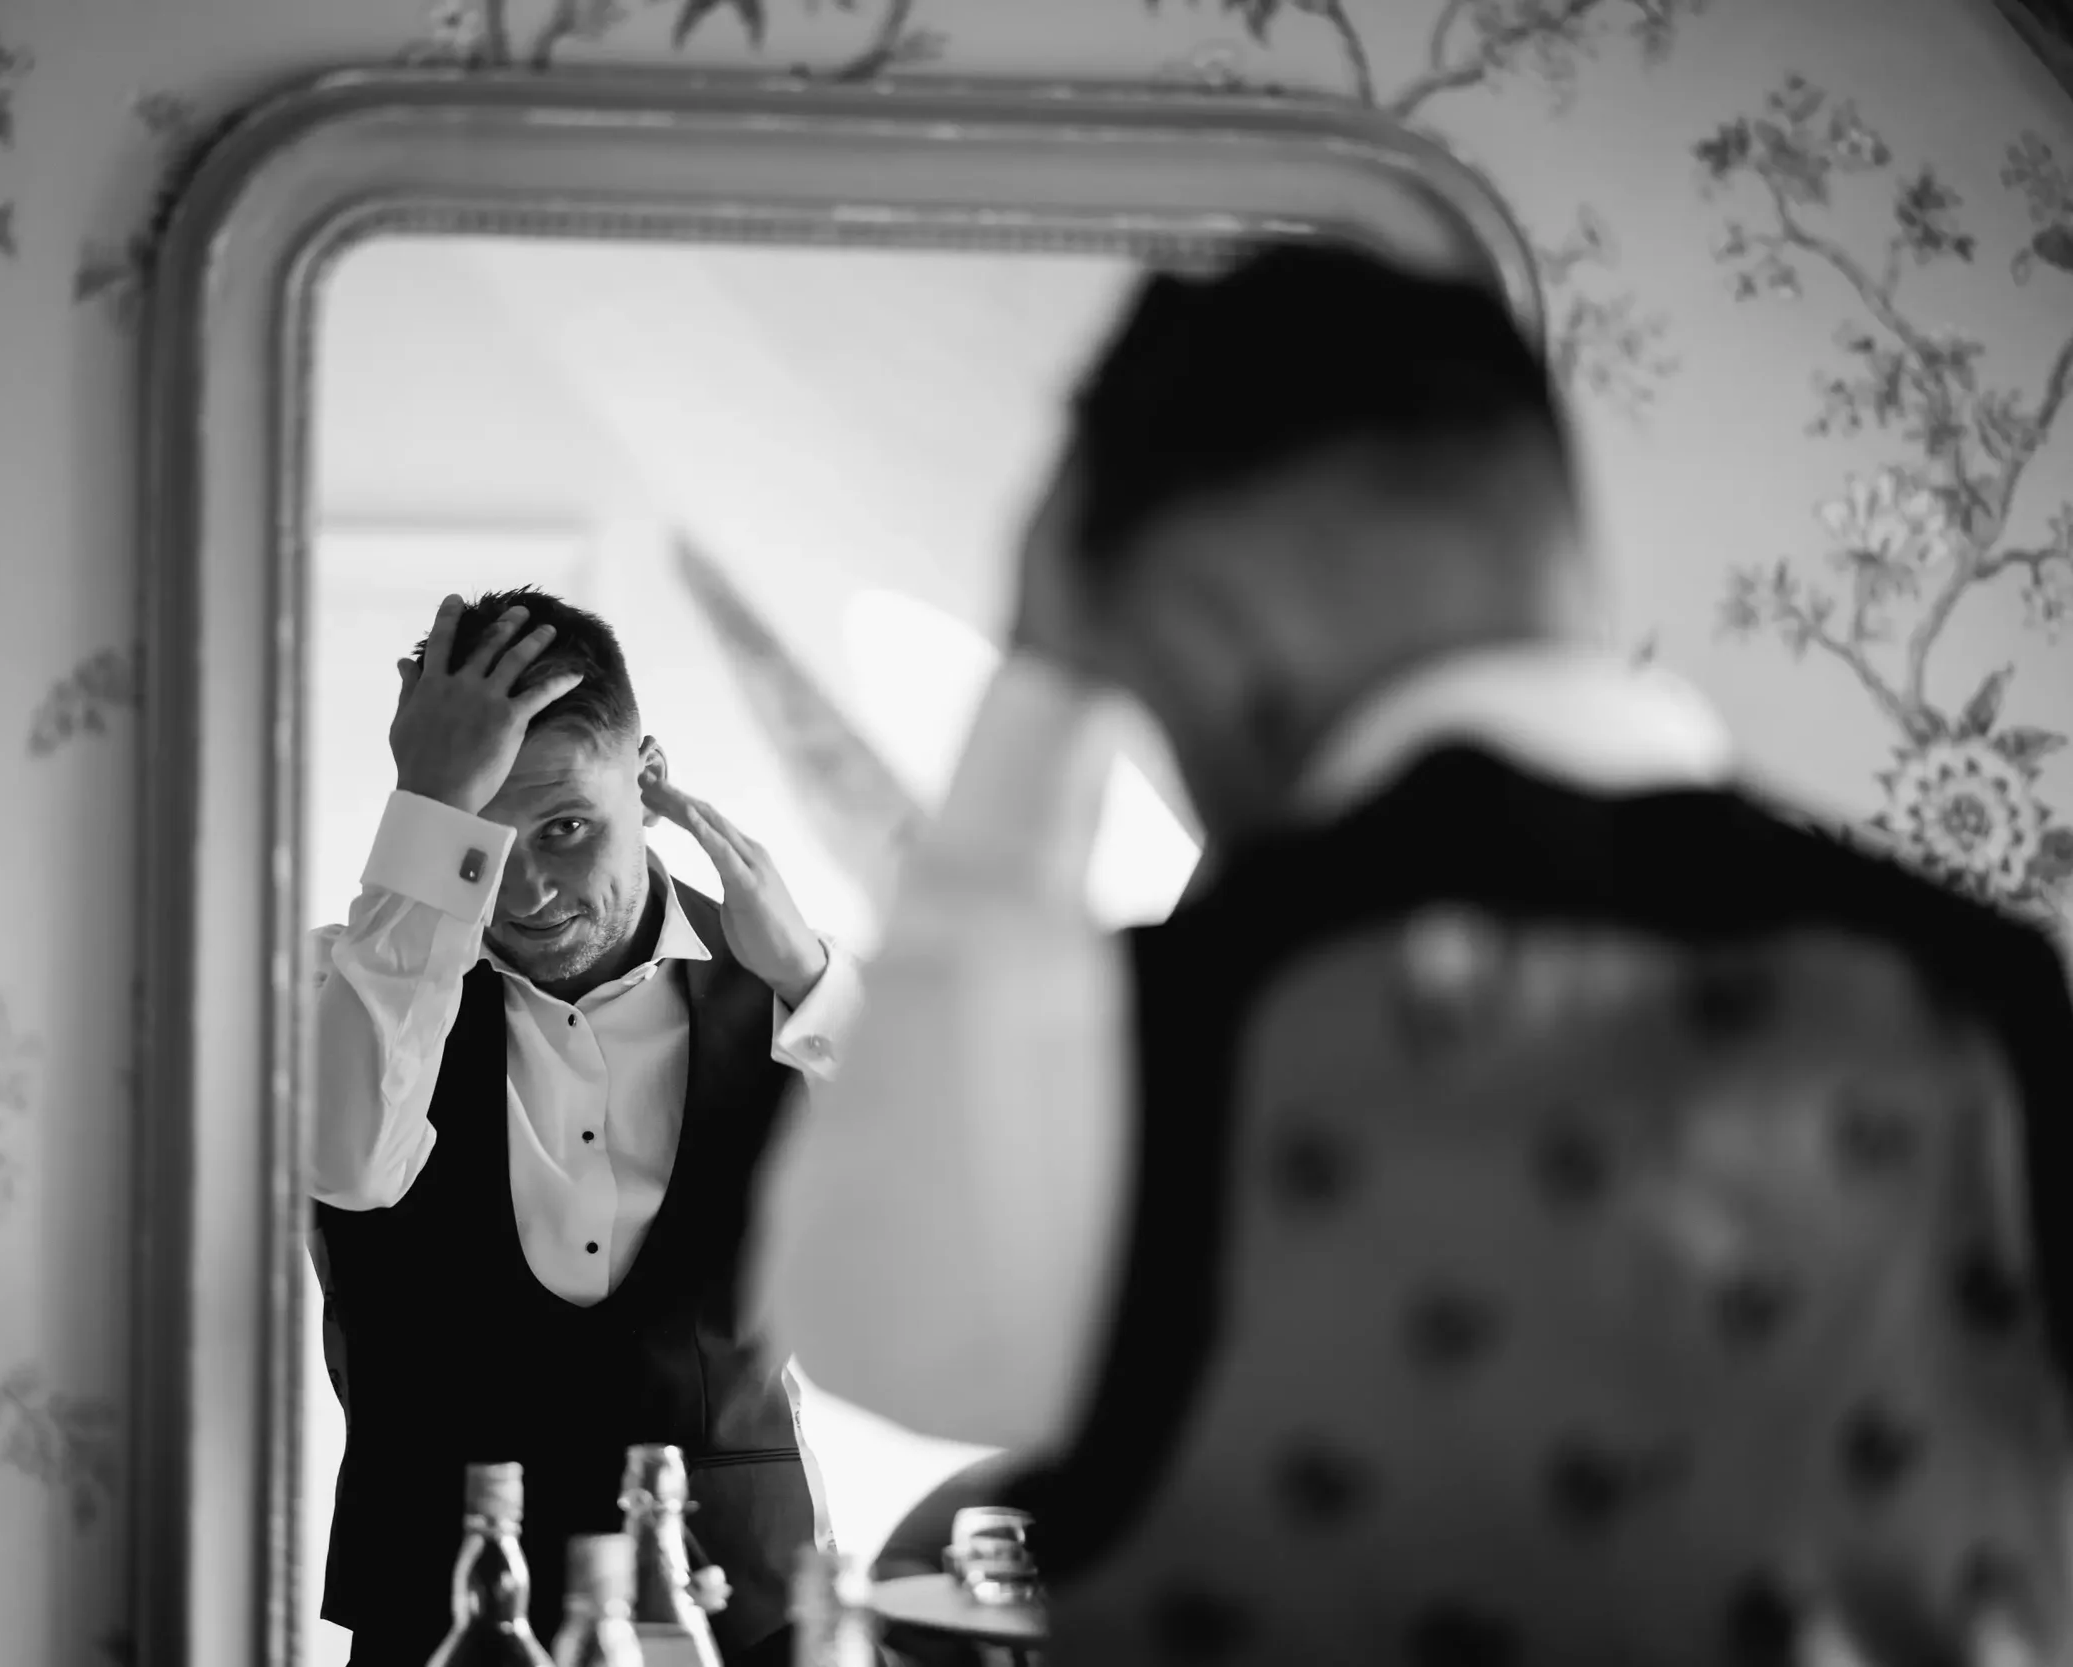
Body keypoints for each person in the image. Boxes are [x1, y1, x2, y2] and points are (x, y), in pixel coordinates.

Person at [755, 244, 2073, 1663]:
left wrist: (1038, 692)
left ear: (1210, 634)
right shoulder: (1993, 996)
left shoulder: (1175, 1032)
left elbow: (867, 1313)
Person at [311, 588, 862, 1666]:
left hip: (739, 1612)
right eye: (483, 833)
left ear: (646, 779)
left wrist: (808, 980)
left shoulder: (796, 997)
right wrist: (431, 809)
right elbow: (354, 1168)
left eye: (565, 827)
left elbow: (947, 1237)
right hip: (438, 1613)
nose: (525, 891)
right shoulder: (355, 991)